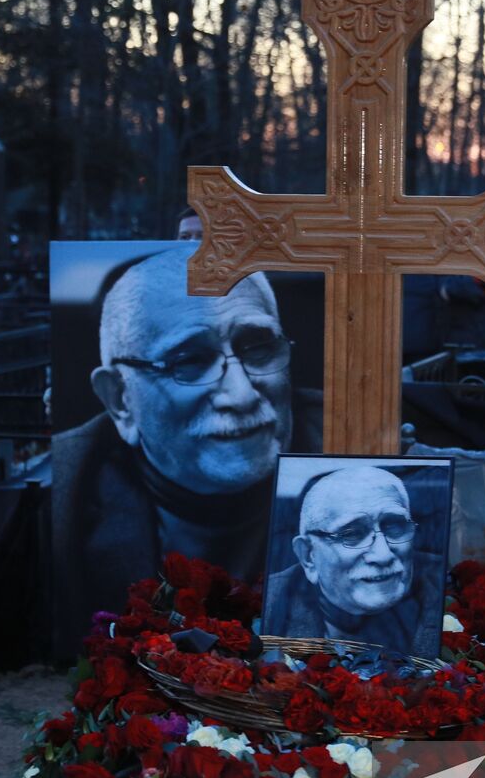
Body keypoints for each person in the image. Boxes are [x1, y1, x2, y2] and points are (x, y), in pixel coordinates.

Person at [52, 246, 319, 659]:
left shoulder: (351, 440)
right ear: (121, 399)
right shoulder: (66, 494)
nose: (242, 394)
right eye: (189, 361)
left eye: (259, 347)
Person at [262, 466, 443, 657]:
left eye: (395, 527)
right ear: (309, 556)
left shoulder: (445, 591)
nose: (383, 555)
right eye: (352, 534)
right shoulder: (271, 604)